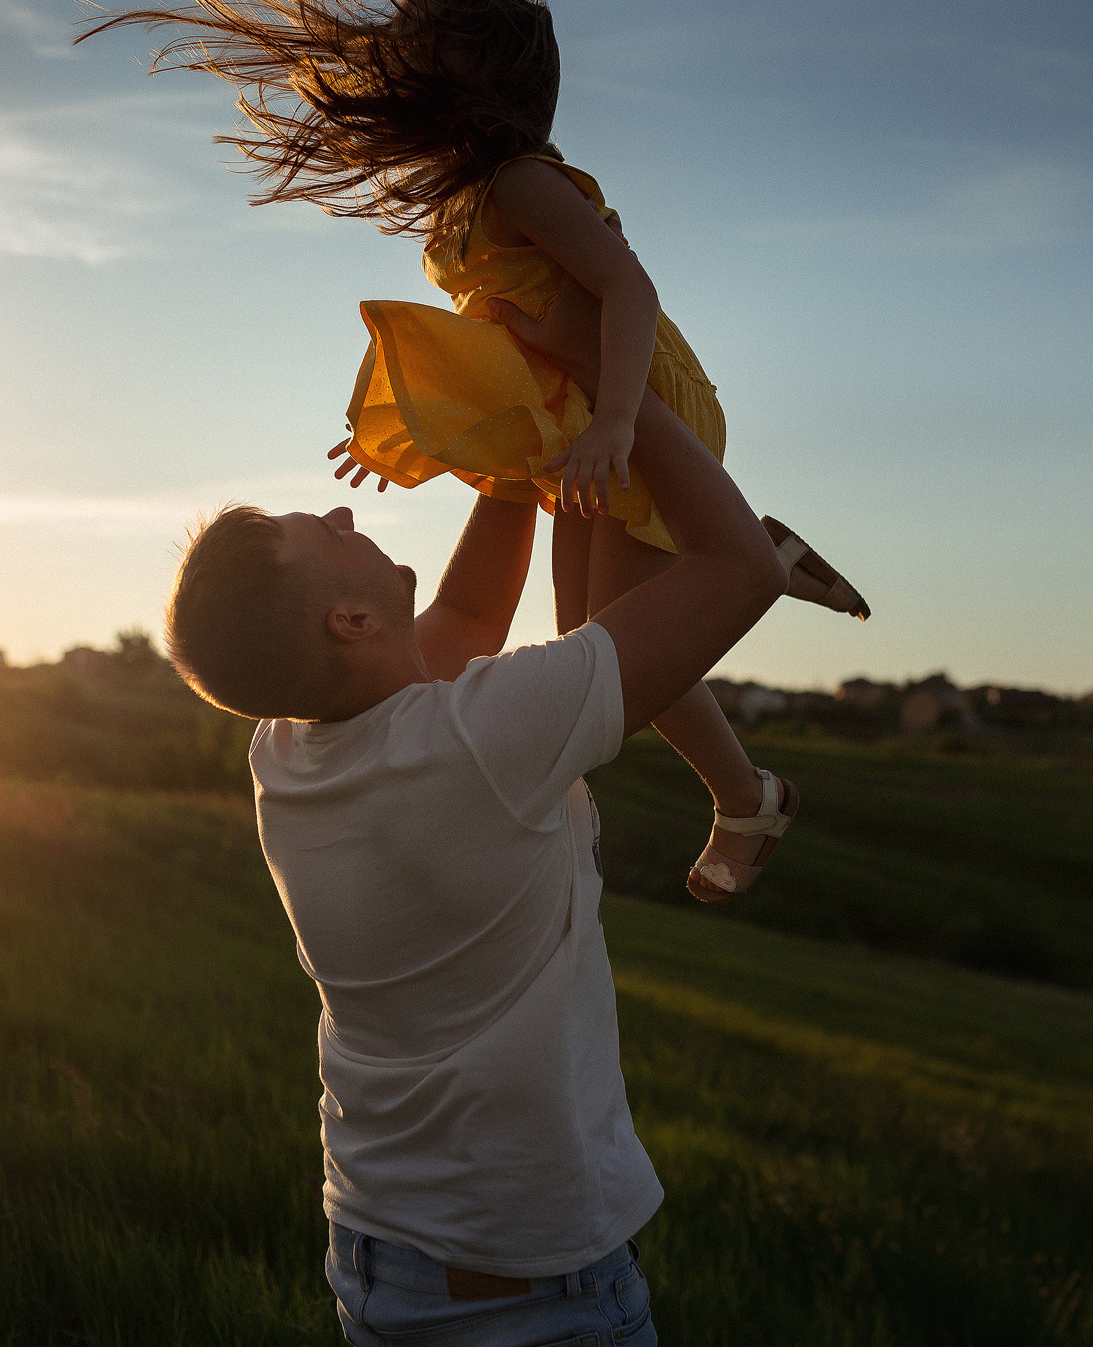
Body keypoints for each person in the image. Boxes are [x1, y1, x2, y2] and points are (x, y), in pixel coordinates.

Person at [82, 0, 865, 901]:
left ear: (470, 101)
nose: (396, 88)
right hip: (580, 419)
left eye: (416, 75)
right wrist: (415, 434)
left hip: (624, 409)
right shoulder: (463, 205)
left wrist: (621, 420)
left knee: (610, 663)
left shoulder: (521, 185)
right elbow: (484, 343)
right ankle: (745, 688)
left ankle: (747, 772)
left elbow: (626, 284)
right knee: (600, 649)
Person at [161, 286, 787, 1345]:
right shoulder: (475, 741)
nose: (350, 512)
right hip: (527, 1293)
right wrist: (597, 376)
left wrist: (510, 429)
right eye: (329, 529)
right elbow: (742, 569)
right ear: (348, 617)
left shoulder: (291, 752)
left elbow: (462, 622)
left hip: (391, 1246)